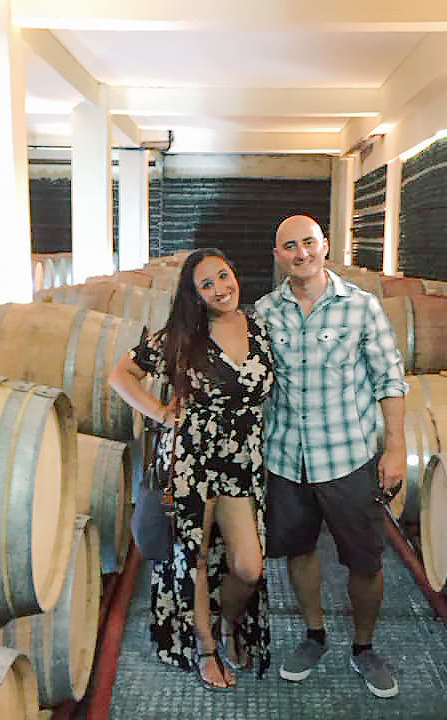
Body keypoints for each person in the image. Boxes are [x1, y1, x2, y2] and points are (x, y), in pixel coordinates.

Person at [254, 214, 407, 699]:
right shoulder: (263, 312)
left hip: (347, 456)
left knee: (364, 559)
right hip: (285, 457)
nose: (301, 254)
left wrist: (396, 447)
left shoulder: (361, 308)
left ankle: (364, 646)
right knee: (298, 551)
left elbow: (389, 378)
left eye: (309, 243)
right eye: (289, 247)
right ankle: (314, 634)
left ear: (325, 247)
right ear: (277, 255)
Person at [109, 248, 274, 690]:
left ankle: (229, 622)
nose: (221, 288)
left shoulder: (259, 327)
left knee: (248, 566)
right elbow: (120, 374)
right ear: (195, 295)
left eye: (224, 275)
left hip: (241, 462)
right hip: (189, 461)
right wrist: (161, 413)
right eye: (208, 284)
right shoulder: (181, 336)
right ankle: (204, 647)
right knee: (194, 559)